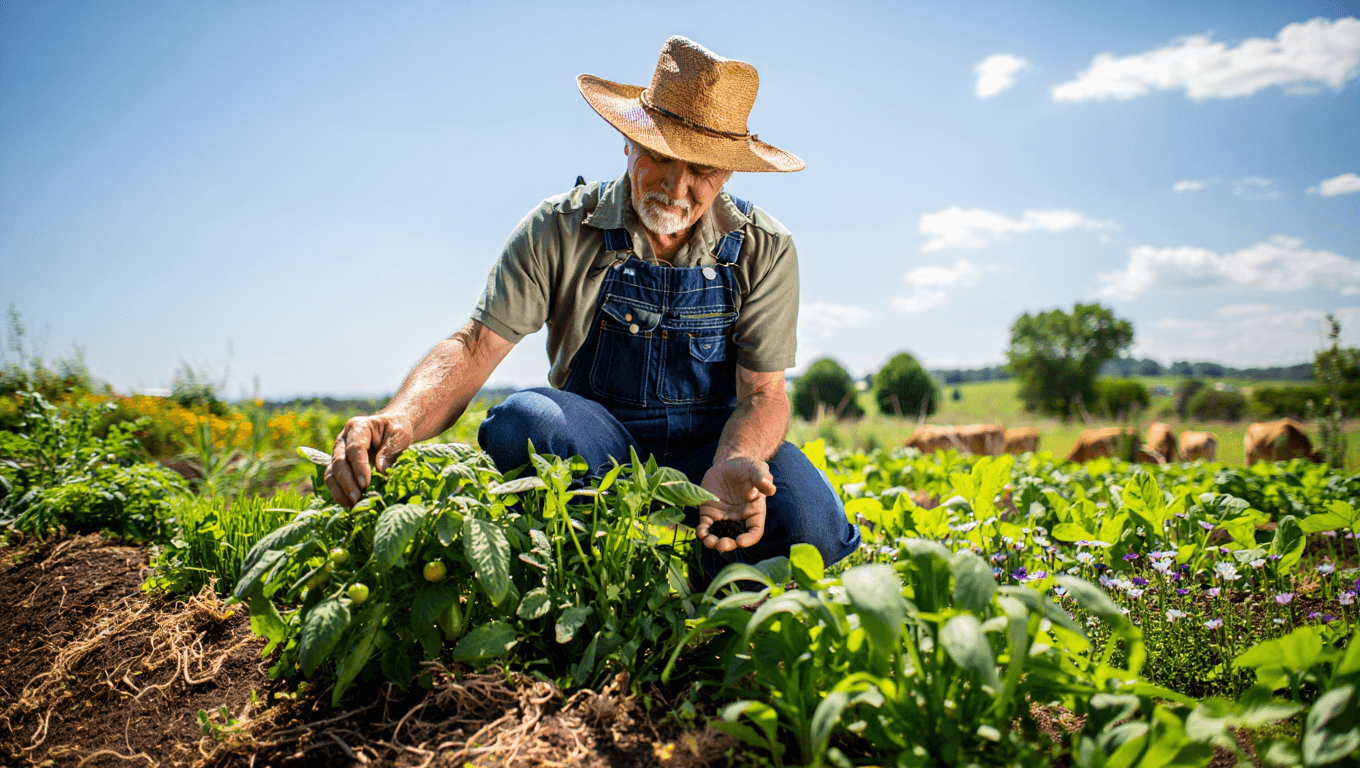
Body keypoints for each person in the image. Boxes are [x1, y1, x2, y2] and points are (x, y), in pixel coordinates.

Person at [325, 36, 859, 580]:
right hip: (598, 447)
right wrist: (396, 420)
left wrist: (734, 459)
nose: (676, 187)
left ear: (727, 172)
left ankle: (713, 570)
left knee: (811, 522)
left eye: (702, 169)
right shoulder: (559, 226)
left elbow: (764, 394)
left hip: (712, 452)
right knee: (523, 424)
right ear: (627, 142)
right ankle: (592, 569)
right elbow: (476, 345)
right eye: (658, 156)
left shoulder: (763, 248)